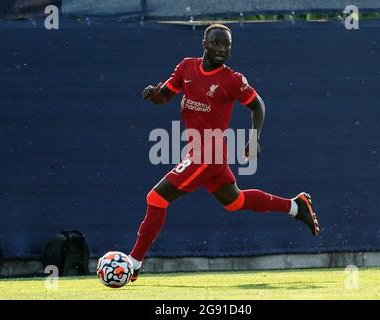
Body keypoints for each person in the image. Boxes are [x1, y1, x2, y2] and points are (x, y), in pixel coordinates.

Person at [128, 24, 320, 281]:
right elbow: (164, 96)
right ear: (204, 44)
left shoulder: (232, 79)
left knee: (156, 198)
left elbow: (258, 105)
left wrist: (254, 137)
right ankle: (296, 207)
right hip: (199, 151)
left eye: (227, 45)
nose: (222, 49)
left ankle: (133, 263)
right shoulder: (186, 67)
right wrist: (153, 94)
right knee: (235, 201)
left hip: (209, 153)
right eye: (216, 43)